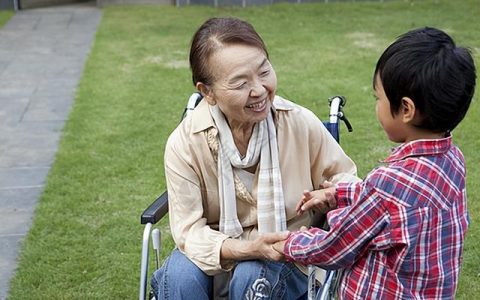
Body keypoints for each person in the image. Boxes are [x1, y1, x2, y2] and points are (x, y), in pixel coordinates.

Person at [150, 17, 359, 299]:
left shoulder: (298, 123)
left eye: (264, 72)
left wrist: (333, 193)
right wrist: (249, 248)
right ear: (207, 92)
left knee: (251, 276)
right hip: (217, 248)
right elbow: (190, 233)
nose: (259, 90)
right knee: (179, 278)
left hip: (288, 246)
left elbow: (347, 178)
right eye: (240, 83)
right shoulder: (185, 144)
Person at [274, 27, 476, 299]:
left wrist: (289, 242)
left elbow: (335, 248)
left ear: (406, 109)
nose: (376, 104)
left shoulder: (388, 184)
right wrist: (339, 193)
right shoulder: (453, 160)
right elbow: (399, 206)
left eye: (377, 97)